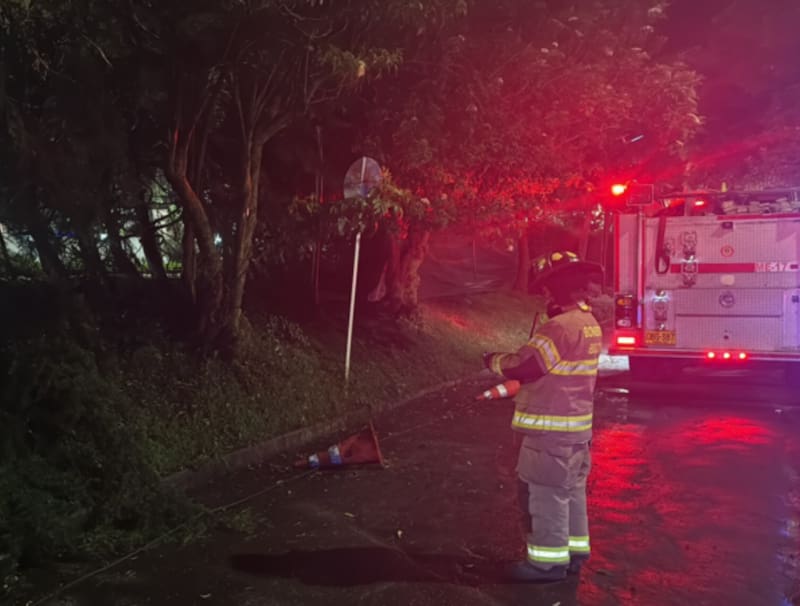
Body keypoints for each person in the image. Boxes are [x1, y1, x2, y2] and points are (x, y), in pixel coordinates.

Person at [483, 250, 603, 583]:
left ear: (560, 287)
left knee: (547, 494)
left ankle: (547, 565)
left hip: (550, 432)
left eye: (548, 288)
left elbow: (526, 367)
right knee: (570, 492)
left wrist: (492, 360)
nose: (545, 295)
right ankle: (575, 553)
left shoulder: (561, 327)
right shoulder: (588, 323)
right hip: (576, 430)